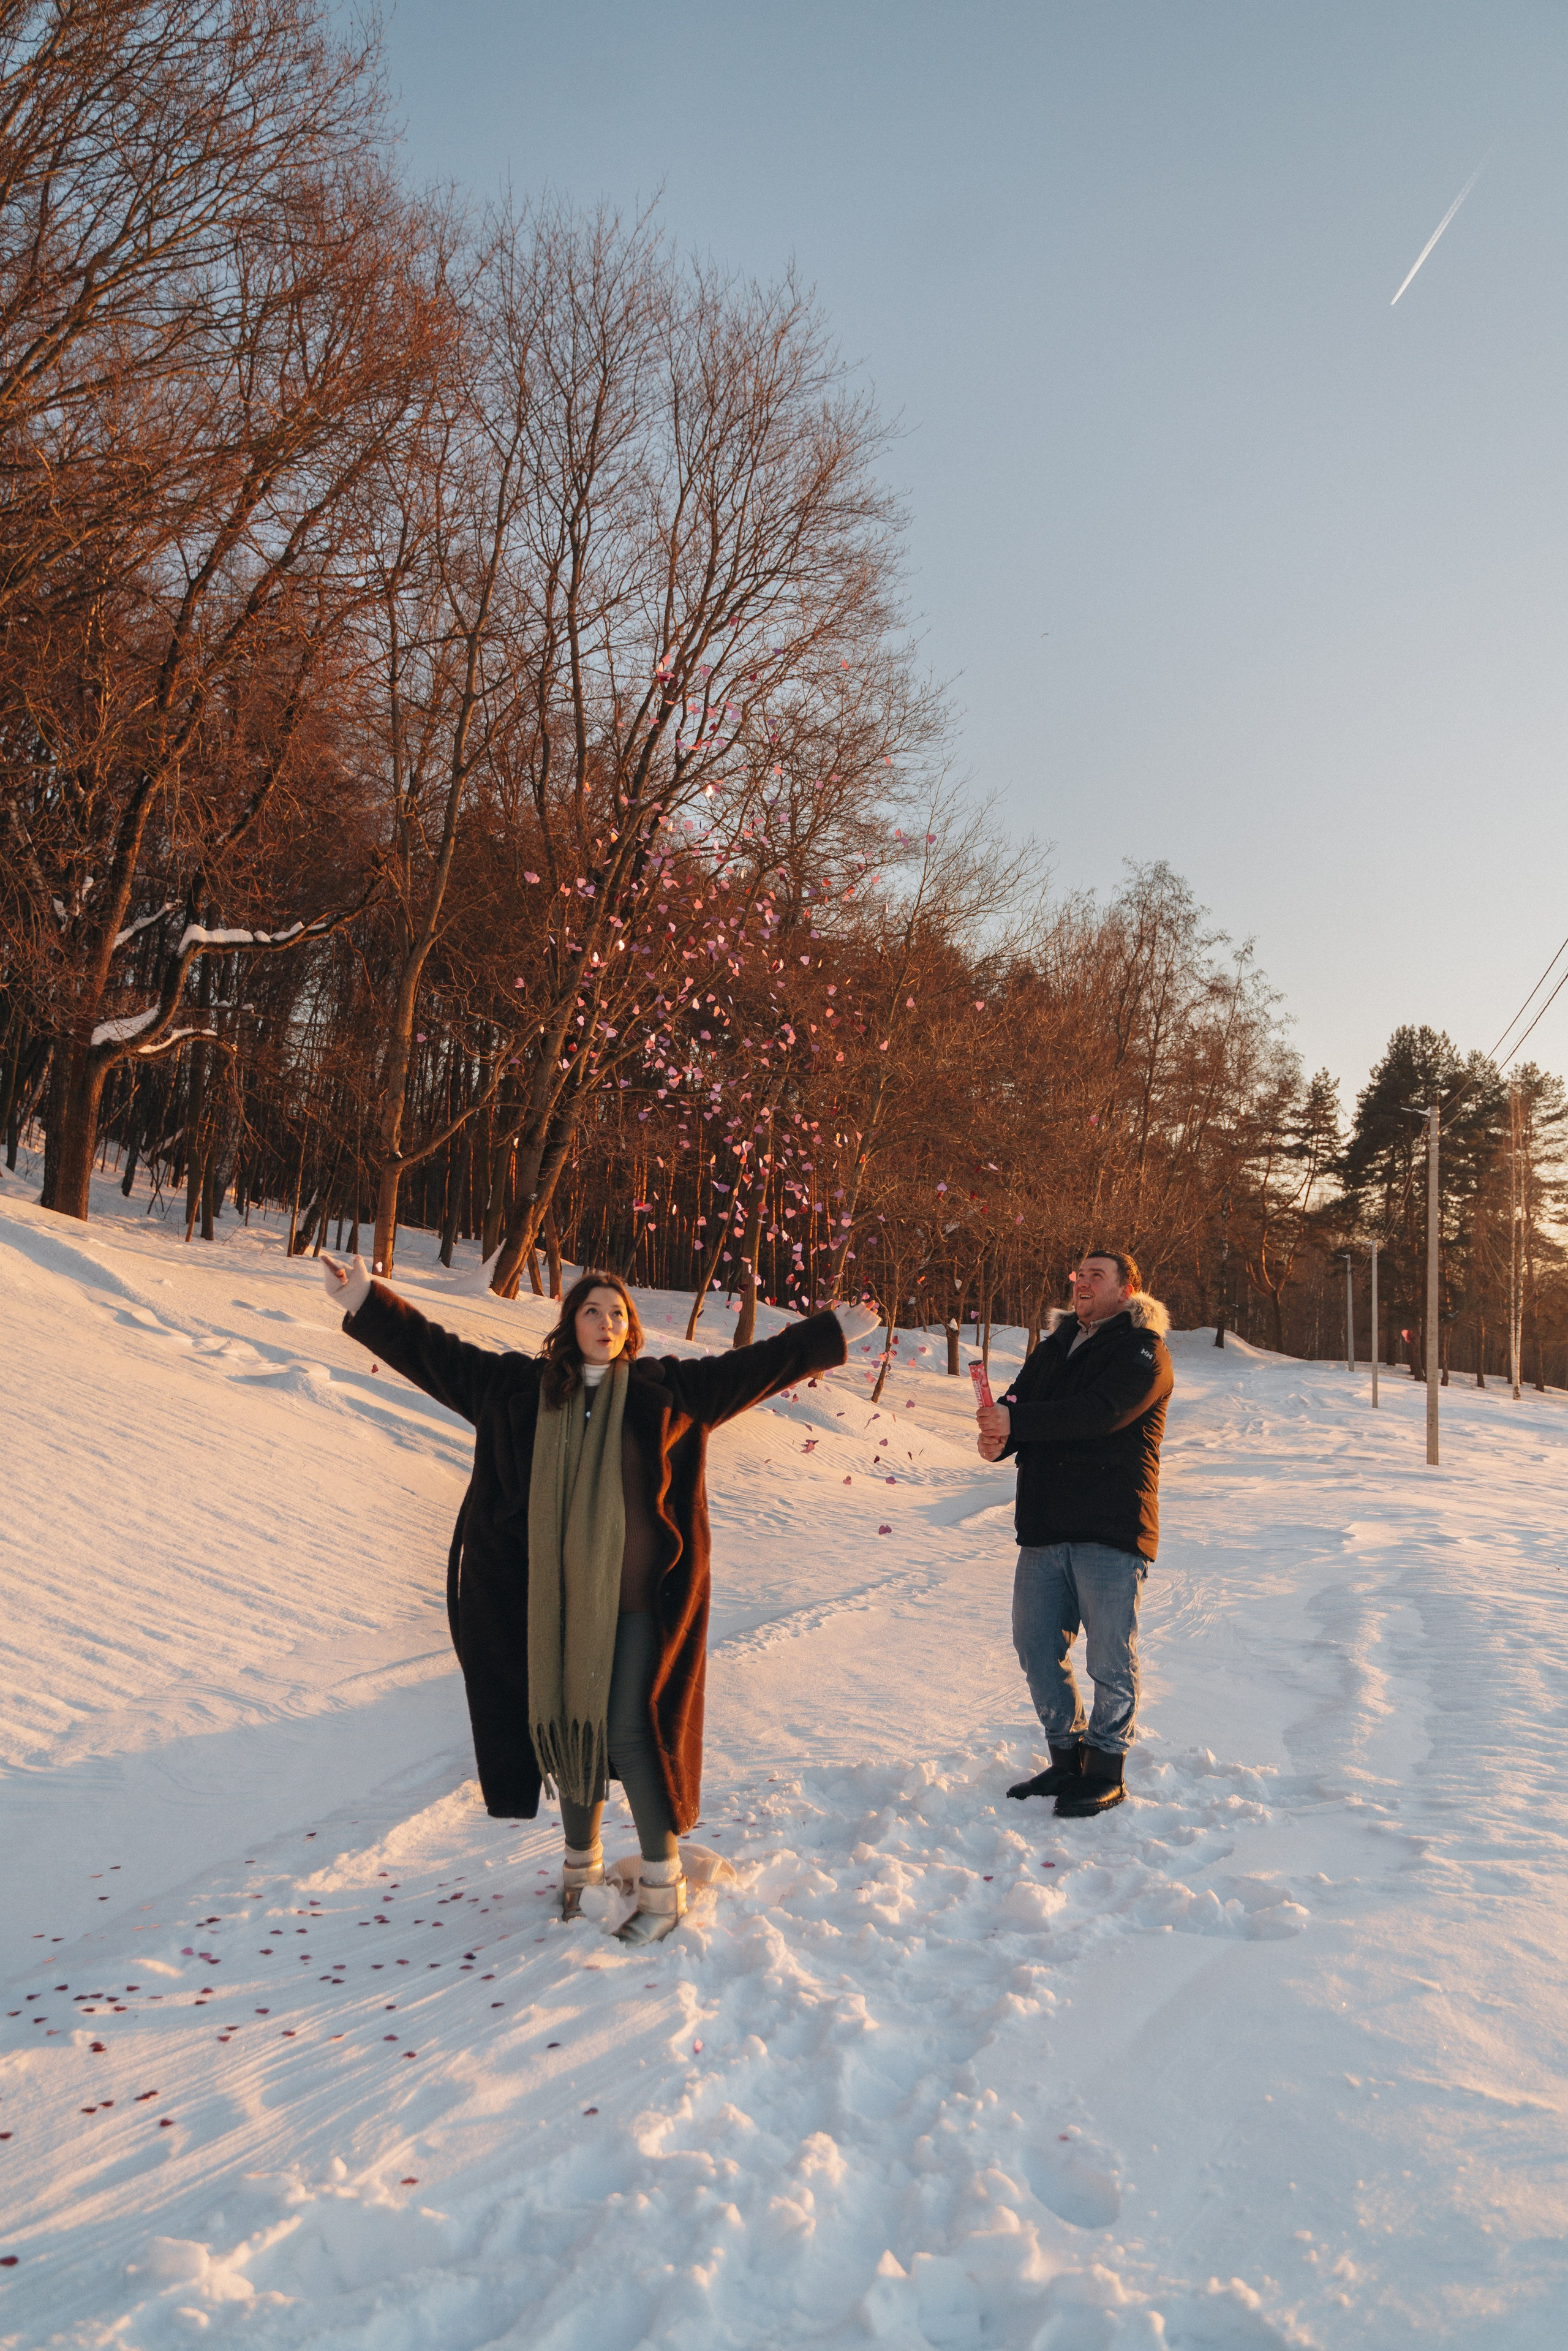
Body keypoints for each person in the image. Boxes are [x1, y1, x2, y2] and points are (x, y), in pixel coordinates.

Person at [323, 1252, 877, 1941]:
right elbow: (436, 1353)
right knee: (569, 1734)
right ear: (569, 1322)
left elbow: (759, 1366)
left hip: (644, 1606)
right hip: (550, 1612)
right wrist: (365, 1298)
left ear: (631, 1329)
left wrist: (834, 1333)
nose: (606, 1321)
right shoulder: (516, 1392)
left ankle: (663, 1886)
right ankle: (580, 1878)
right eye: (592, 1309)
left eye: (618, 1312)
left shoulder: (670, 1392)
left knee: (625, 1728)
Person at [975, 1249, 1173, 1819]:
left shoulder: (1145, 1351)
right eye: (1078, 1274)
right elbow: (1020, 1402)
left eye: (1097, 1275)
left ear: (1126, 1288)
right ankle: (1067, 1759)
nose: (1083, 1283)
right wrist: (1000, 1437)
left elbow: (1100, 1413)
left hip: (1110, 1526)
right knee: (1036, 1646)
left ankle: (1107, 1769)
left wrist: (1020, 1423)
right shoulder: (1055, 1345)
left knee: (1110, 1656)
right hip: (1044, 1524)